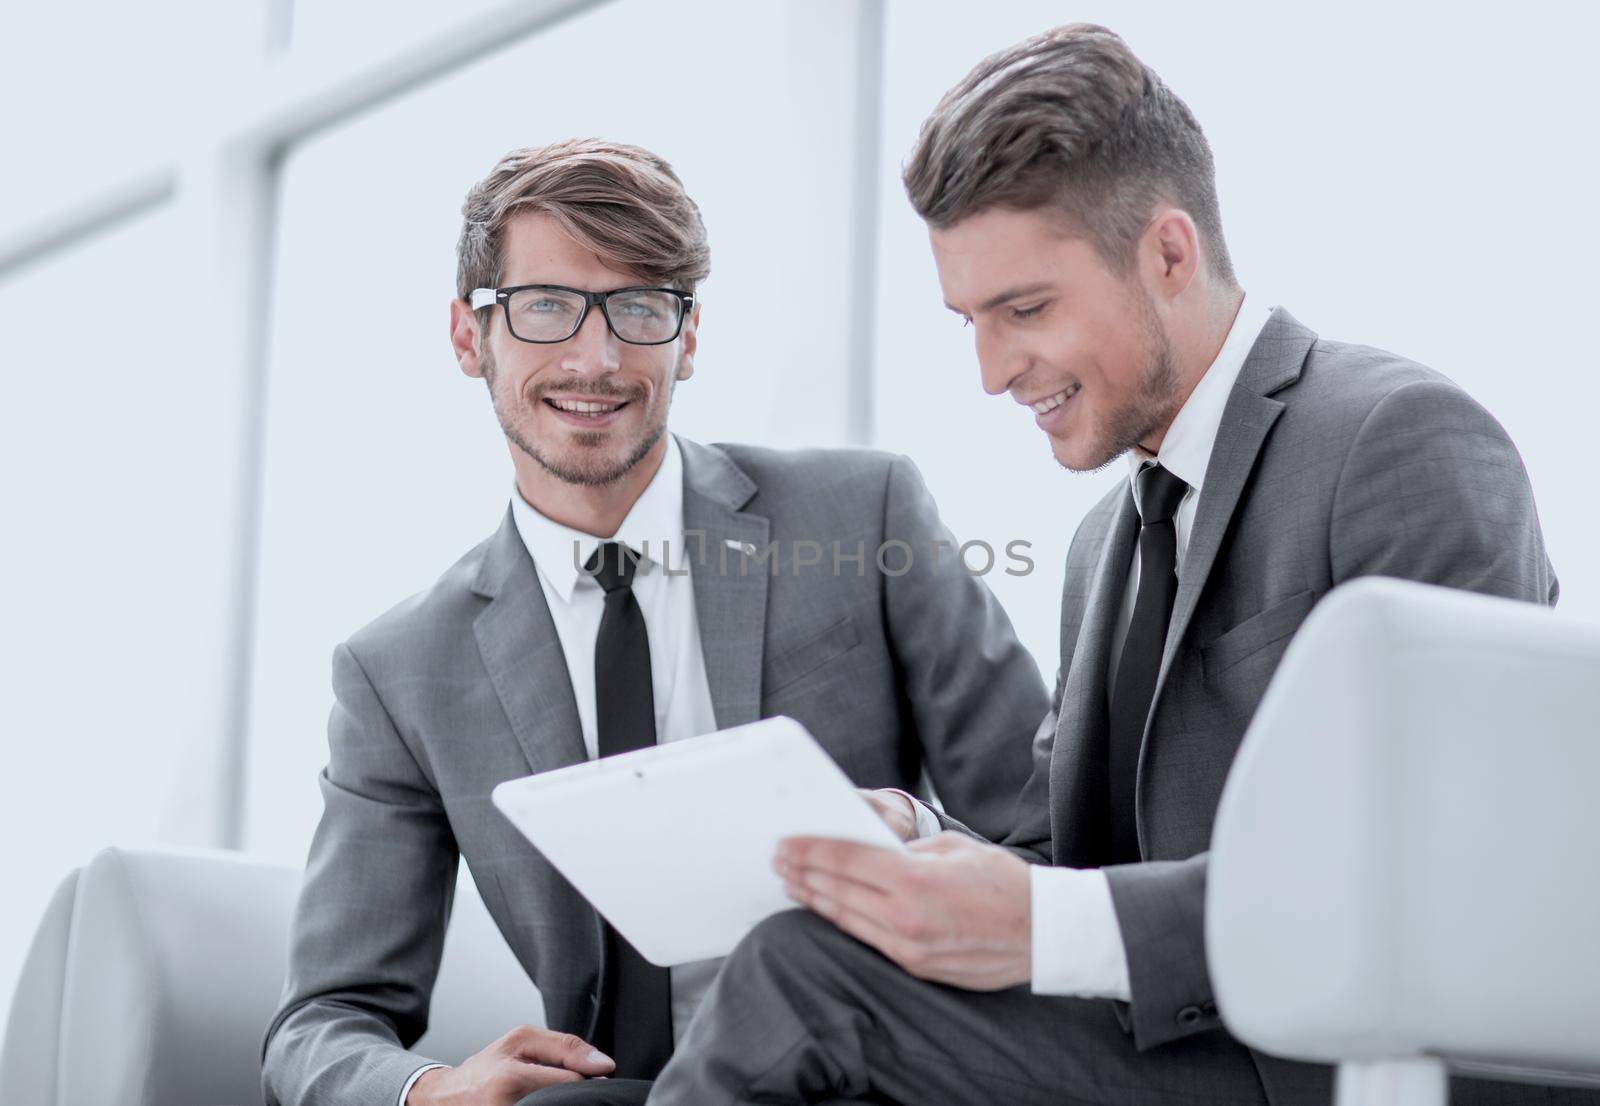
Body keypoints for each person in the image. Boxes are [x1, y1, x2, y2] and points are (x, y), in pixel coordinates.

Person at [645, 24, 1594, 1106]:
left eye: (1026, 309)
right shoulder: (1105, 544)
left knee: (800, 979)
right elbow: (1061, 860)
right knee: (823, 963)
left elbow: (1448, 867)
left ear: (1169, 253)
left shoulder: (1395, 437)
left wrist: (1043, 921)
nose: (994, 370)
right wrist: (918, 846)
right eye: (969, 321)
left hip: (1336, 1061)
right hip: (1170, 1048)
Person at [258, 138, 1049, 1106]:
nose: (596, 359)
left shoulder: (862, 517)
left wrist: (913, 830)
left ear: (689, 336)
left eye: (639, 308)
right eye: (546, 307)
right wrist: (431, 1090)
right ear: (470, 337)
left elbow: (1054, 841)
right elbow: (319, 1023)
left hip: (883, 1070)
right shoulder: (401, 673)